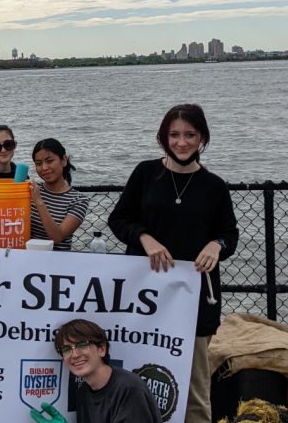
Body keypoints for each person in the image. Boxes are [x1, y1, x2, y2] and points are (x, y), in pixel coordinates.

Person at [107, 103, 238, 423]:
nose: (182, 142)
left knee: (193, 391)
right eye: (174, 135)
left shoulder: (214, 185)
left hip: (194, 300)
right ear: (164, 138)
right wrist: (144, 238)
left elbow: (229, 234)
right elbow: (119, 218)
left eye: (190, 135)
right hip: (144, 296)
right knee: (136, 379)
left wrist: (216, 244)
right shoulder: (145, 173)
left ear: (202, 138)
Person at [30, 318, 162, 423]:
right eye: (66, 349)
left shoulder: (129, 388)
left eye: (82, 345)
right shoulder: (83, 394)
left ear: (102, 349)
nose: (74, 355)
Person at [29, 138, 88, 251]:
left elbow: (57, 237)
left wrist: (39, 202)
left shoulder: (79, 200)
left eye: (50, 161)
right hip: (27, 259)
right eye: (39, 164)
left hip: (57, 264)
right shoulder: (31, 191)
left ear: (64, 160)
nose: (44, 168)